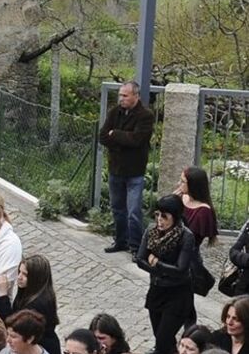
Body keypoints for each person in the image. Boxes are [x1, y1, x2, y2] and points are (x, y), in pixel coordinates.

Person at [99, 80, 155, 256]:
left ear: (135, 96)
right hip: (115, 169)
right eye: (120, 95)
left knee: (133, 212)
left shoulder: (145, 115)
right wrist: (121, 142)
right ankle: (120, 241)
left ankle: (136, 246)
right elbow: (102, 137)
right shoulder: (114, 112)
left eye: (125, 95)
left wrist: (115, 134)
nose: (121, 98)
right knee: (117, 209)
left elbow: (137, 139)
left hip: (134, 171)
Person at [136, 194, 196, 354]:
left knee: (162, 340)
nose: (160, 220)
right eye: (157, 215)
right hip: (157, 290)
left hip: (178, 294)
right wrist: (160, 271)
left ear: (175, 217)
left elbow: (181, 269)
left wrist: (157, 264)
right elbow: (140, 259)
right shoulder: (151, 230)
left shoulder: (186, 236)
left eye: (164, 216)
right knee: (163, 340)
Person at [0, 255, 60, 354]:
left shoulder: (37, 304)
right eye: (19, 272)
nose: (19, 277)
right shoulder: (28, 293)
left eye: (25, 274)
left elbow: (14, 325)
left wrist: (3, 295)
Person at [176, 166, 218, 247]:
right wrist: (171, 201)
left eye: (182, 181)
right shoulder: (181, 198)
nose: (178, 184)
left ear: (193, 184)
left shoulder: (203, 211)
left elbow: (191, 240)